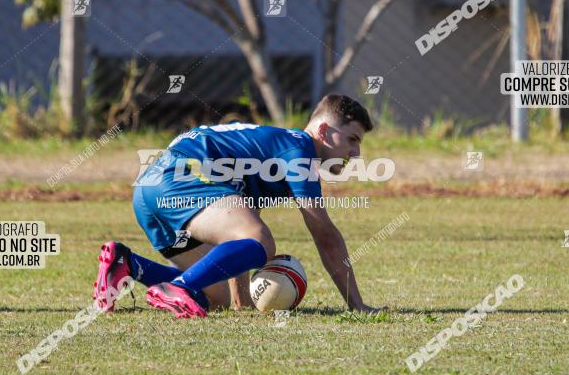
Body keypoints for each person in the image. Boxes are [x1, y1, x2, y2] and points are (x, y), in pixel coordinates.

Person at [93, 94, 381, 318]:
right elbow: (325, 235)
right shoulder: (299, 149)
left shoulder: (274, 148)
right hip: (181, 177)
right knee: (261, 241)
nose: (355, 153)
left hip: (149, 191)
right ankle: (179, 288)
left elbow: (239, 223)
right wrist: (357, 305)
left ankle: (127, 263)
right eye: (352, 140)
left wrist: (242, 303)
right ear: (324, 130)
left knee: (216, 299)